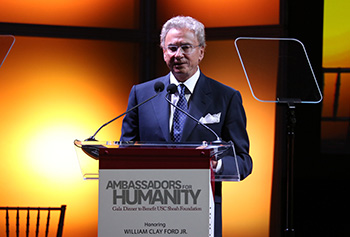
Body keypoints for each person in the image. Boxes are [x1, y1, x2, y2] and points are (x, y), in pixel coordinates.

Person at [120, 15, 252, 237]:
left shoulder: (226, 97)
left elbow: (243, 161)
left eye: (186, 47)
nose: (178, 55)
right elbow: (124, 151)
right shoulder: (142, 94)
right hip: (147, 208)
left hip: (200, 209)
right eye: (171, 48)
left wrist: (216, 164)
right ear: (163, 52)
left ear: (201, 51)